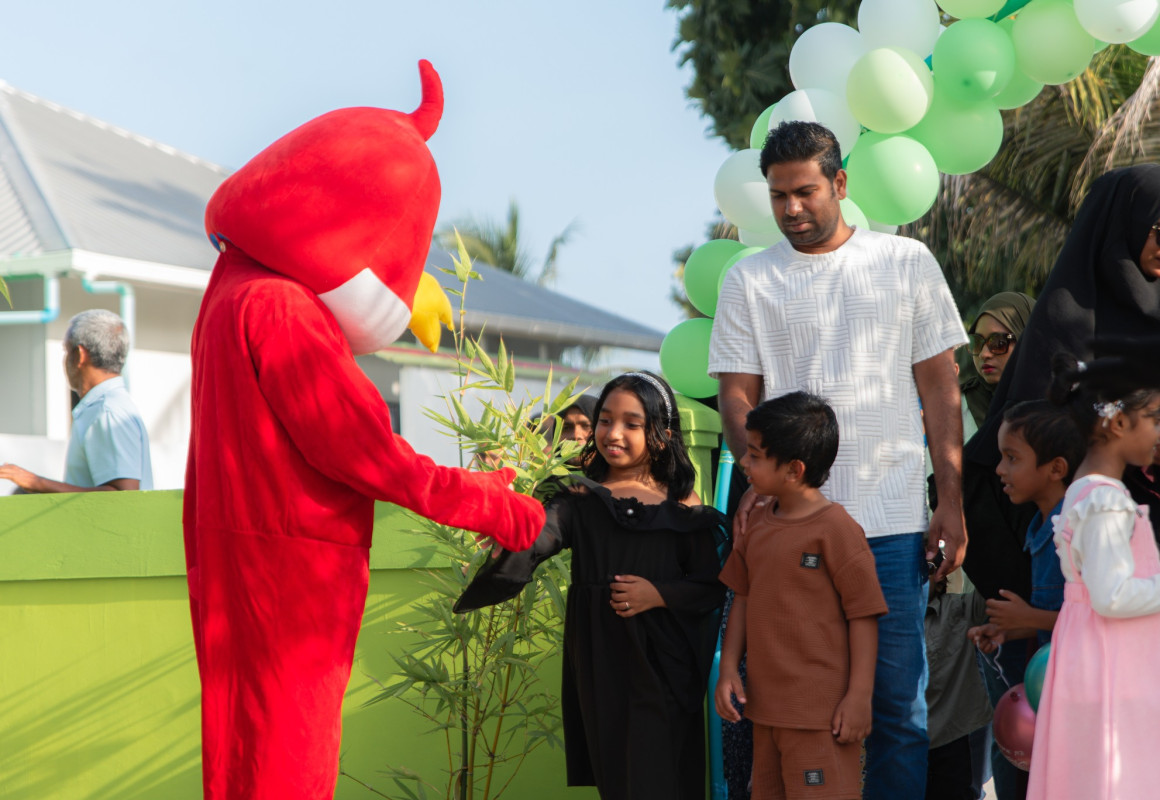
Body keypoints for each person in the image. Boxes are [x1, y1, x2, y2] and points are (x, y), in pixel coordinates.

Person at [188, 62, 545, 800]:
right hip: (291, 574)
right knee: (289, 760)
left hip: (239, 556)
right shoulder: (284, 309)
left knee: (243, 749)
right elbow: (365, 452)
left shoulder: (232, 290)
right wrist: (489, 502)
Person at [709, 120, 968, 798]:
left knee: (897, 713)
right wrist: (760, 478)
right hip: (788, 529)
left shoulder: (906, 262)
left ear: (841, 183)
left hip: (890, 524)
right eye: (778, 195)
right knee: (794, 709)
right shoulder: (748, 278)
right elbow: (736, 398)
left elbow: (941, 390)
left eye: (805, 192)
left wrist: (950, 501)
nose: (791, 208)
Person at [963, 164, 1160, 741]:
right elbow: (1031, 425)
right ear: (1123, 227)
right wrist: (1133, 440)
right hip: (1093, 541)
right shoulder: (1069, 314)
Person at [455, 371, 727, 800]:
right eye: (605, 419)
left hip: (665, 663)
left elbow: (710, 587)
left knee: (661, 774)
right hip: (604, 662)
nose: (613, 433)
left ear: (662, 436)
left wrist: (658, 594)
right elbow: (539, 536)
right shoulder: (580, 498)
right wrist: (506, 528)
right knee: (620, 776)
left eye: (631, 424)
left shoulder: (682, 506)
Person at [1025, 356, 1160, 798]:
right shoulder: (1105, 501)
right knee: (1122, 777)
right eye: (1154, 419)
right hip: (1113, 668)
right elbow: (1111, 596)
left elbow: (1098, 588)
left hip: (1101, 651)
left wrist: (1159, 619)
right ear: (1119, 423)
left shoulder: (1084, 491)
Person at [714, 391, 887, 799]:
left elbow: (864, 615)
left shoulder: (837, 530)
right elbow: (742, 598)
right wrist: (728, 669)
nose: (744, 462)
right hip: (764, 713)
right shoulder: (756, 524)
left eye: (755, 455)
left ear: (794, 469)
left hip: (820, 719)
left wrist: (859, 696)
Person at [968, 401, 1083, 655]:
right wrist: (1011, 631)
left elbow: (1099, 620)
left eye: (1012, 458)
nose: (999, 469)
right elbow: (1061, 621)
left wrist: (1030, 617)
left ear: (1056, 468)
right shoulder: (1039, 528)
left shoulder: (1079, 528)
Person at [0, 309, 152, 493]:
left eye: (66, 350)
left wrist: (36, 483)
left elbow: (124, 495)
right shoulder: (107, 406)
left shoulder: (106, 411)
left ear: (80, 355)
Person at [924, 575, 991, 800]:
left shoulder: (959, 610)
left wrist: (963, 554)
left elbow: (992, 584)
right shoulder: (876, 621)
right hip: (899, 747)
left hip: (954, 740)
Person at [960, 293, 1035, 431]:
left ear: (1026, 343)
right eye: (977, 342)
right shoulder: (957, 407)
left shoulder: (1061, 406)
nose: (984, 354)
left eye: (999, 343)